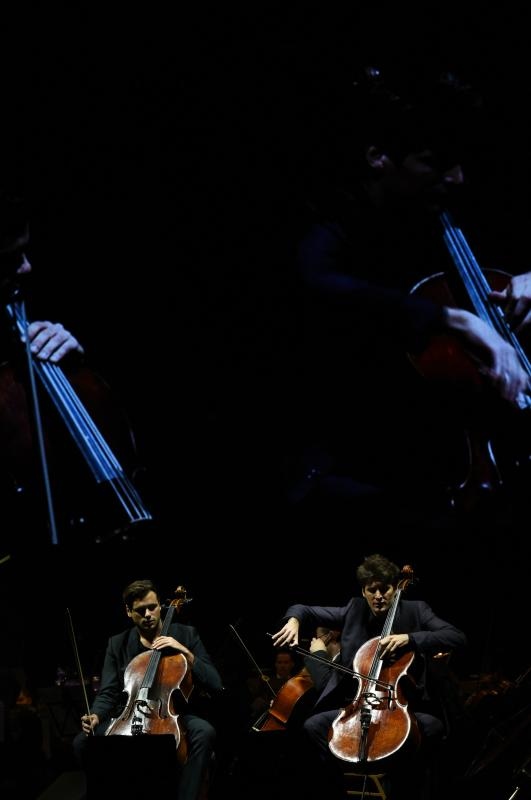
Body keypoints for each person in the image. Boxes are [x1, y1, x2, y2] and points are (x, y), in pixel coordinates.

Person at [283, 63, 531, 531]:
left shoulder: (449, 209)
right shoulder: (331, 220)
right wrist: (455, 320)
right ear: (378, 157)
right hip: (370, 469)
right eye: (436, 162)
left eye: (460, 161)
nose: (457, 178)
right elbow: (314, 283)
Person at [271, 553, 467, 800]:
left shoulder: (416, 610)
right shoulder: (353, 609)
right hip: (359, 705)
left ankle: (405, 789)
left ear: (396, 588)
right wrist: (294, 621)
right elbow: (303, 608)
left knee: (432, 728)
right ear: (363, 591)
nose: (378, 596)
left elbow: (456, 636)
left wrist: (410, 638)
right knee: (313, 727)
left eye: (384, 589)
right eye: (371, 590)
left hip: (402, 707)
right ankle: (337, 791)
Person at [72, 578, 224, 800]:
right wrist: (95, 715)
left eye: (152, 607)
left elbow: (215, 683)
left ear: (160, 606)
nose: (148, 615)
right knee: (82, 743)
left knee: (204, 732)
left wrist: (186, 653)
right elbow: (108, 691)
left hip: (174, 713)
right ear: (128, 612)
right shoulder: (117, 643)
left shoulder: (187, 635)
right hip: (129, 715)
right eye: (140, 610)